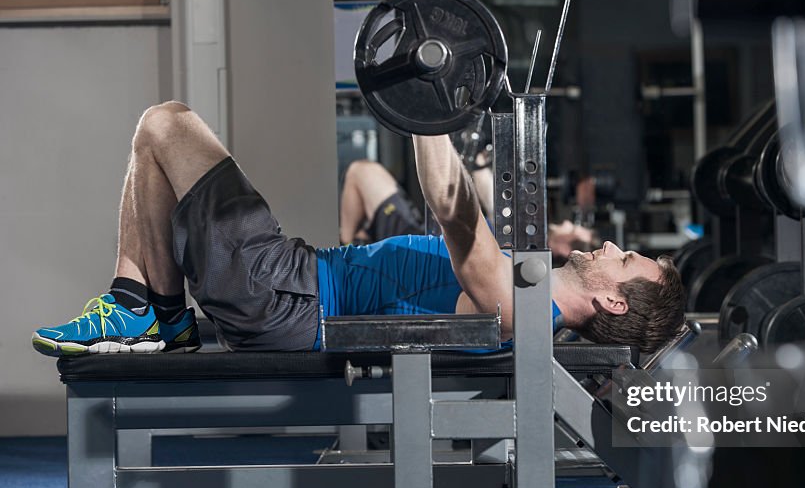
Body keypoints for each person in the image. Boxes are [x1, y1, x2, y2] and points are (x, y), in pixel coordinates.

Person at [32, 101, 686, 357]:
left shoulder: (525, 309)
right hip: (294, 280)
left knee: (166, 124)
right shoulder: (532, 297)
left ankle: (138, 306)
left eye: (625, 258)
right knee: (156, 139)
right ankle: (154, 311)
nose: (610, 245)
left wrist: (428, 108)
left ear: (612, 299)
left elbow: (457, 216)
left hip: (289, 296)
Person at [339, 158, 599, 264]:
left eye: (573, 228)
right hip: (430, 230)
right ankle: (356, 243)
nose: (567, 223)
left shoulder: (523, 252)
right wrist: (479, 164)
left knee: (362, 172)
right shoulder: (523, 233)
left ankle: (346, 246)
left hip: (423, 247)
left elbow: (492, 202)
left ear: (567, 248)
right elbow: (493, 198)